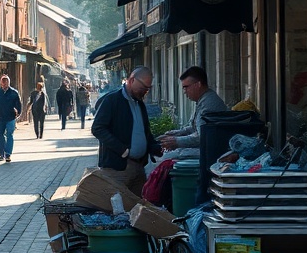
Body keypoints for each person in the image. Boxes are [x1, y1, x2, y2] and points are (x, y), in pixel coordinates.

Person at [90, 66, 162, 197]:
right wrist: (123, 150)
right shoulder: (112, 100)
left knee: (138, 209)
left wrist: (154, 146)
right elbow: (98, 129)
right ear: (132, 80)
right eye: (143, 88)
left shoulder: (139, 102)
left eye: (148, 89)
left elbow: (144, 131)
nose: (145, 92)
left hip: (138, 167)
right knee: (116, 209)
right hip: (117, 168)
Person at [158, 65, 229, 156]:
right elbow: (194, 127)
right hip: (205, 151)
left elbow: (203, 136)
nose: (184, 91)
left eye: (186, 87)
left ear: (198, 84)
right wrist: (175, 134)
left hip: (211, 154)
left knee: (168, 157)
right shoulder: (203, 100)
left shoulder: (209, 104)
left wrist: (177, 141)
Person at [0, 75, 22, 162]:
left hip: (11, 117)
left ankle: (8, 154)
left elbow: (19, 104)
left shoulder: (14, 93)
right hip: (0, 118)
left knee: (9, 135)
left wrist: (18, 113)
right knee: (0, 136)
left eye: (6, 82)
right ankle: (1, 154)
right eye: (3, 82)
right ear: (0, 83)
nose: (4, 84)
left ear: (9, 83)